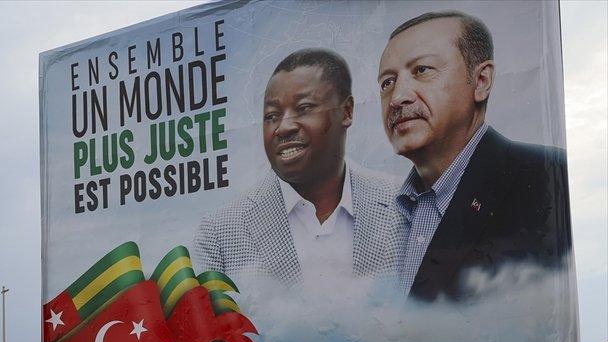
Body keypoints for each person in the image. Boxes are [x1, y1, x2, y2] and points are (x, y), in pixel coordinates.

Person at [378, 11, 572, 302]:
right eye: (387, 83)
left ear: (481, 81)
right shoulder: (380, 216)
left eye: (422, 70)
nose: (397, 98)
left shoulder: (548, 179)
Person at [194, 48, 403, 288]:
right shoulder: (220, 232)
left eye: (304, 108)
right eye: (272, 115)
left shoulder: (403, 203)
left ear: (346, 112)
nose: (283, 128)